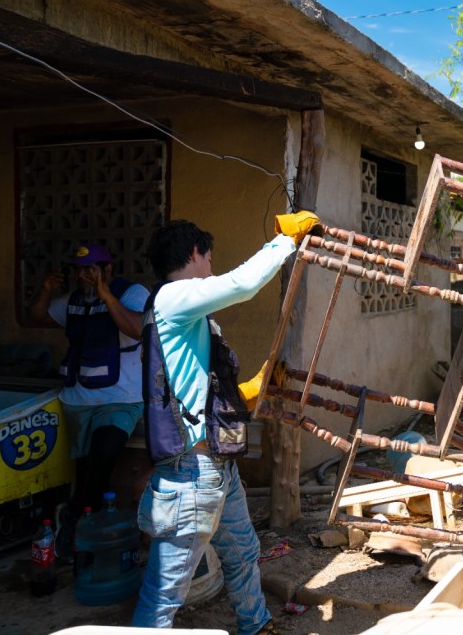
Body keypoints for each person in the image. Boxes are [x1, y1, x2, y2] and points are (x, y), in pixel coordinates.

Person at [131, 212, 319, 635]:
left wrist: (251, 389)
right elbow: (242, 285)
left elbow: (201, 383)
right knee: (164, 592)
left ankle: (256, 624)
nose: (211, 269)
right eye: (209, 259)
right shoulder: (172, 298)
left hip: (217, 464)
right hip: (191, 471)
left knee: (242, 553)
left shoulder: (189, 318)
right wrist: (284, 242)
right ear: (195, 253)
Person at [28, 243, 149, 558]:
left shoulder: (132, 293)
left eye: (91, 269)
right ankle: (79, 525)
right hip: (77, 400)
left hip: (121, 399)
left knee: (104, 454)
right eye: (79, 270)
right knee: (86, 468)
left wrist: (105, 293)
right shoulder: (73, 302)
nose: (83, 276)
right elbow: (38, 316)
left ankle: (76, 521)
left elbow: (136, 329)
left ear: (107, 269)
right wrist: (45, 290)